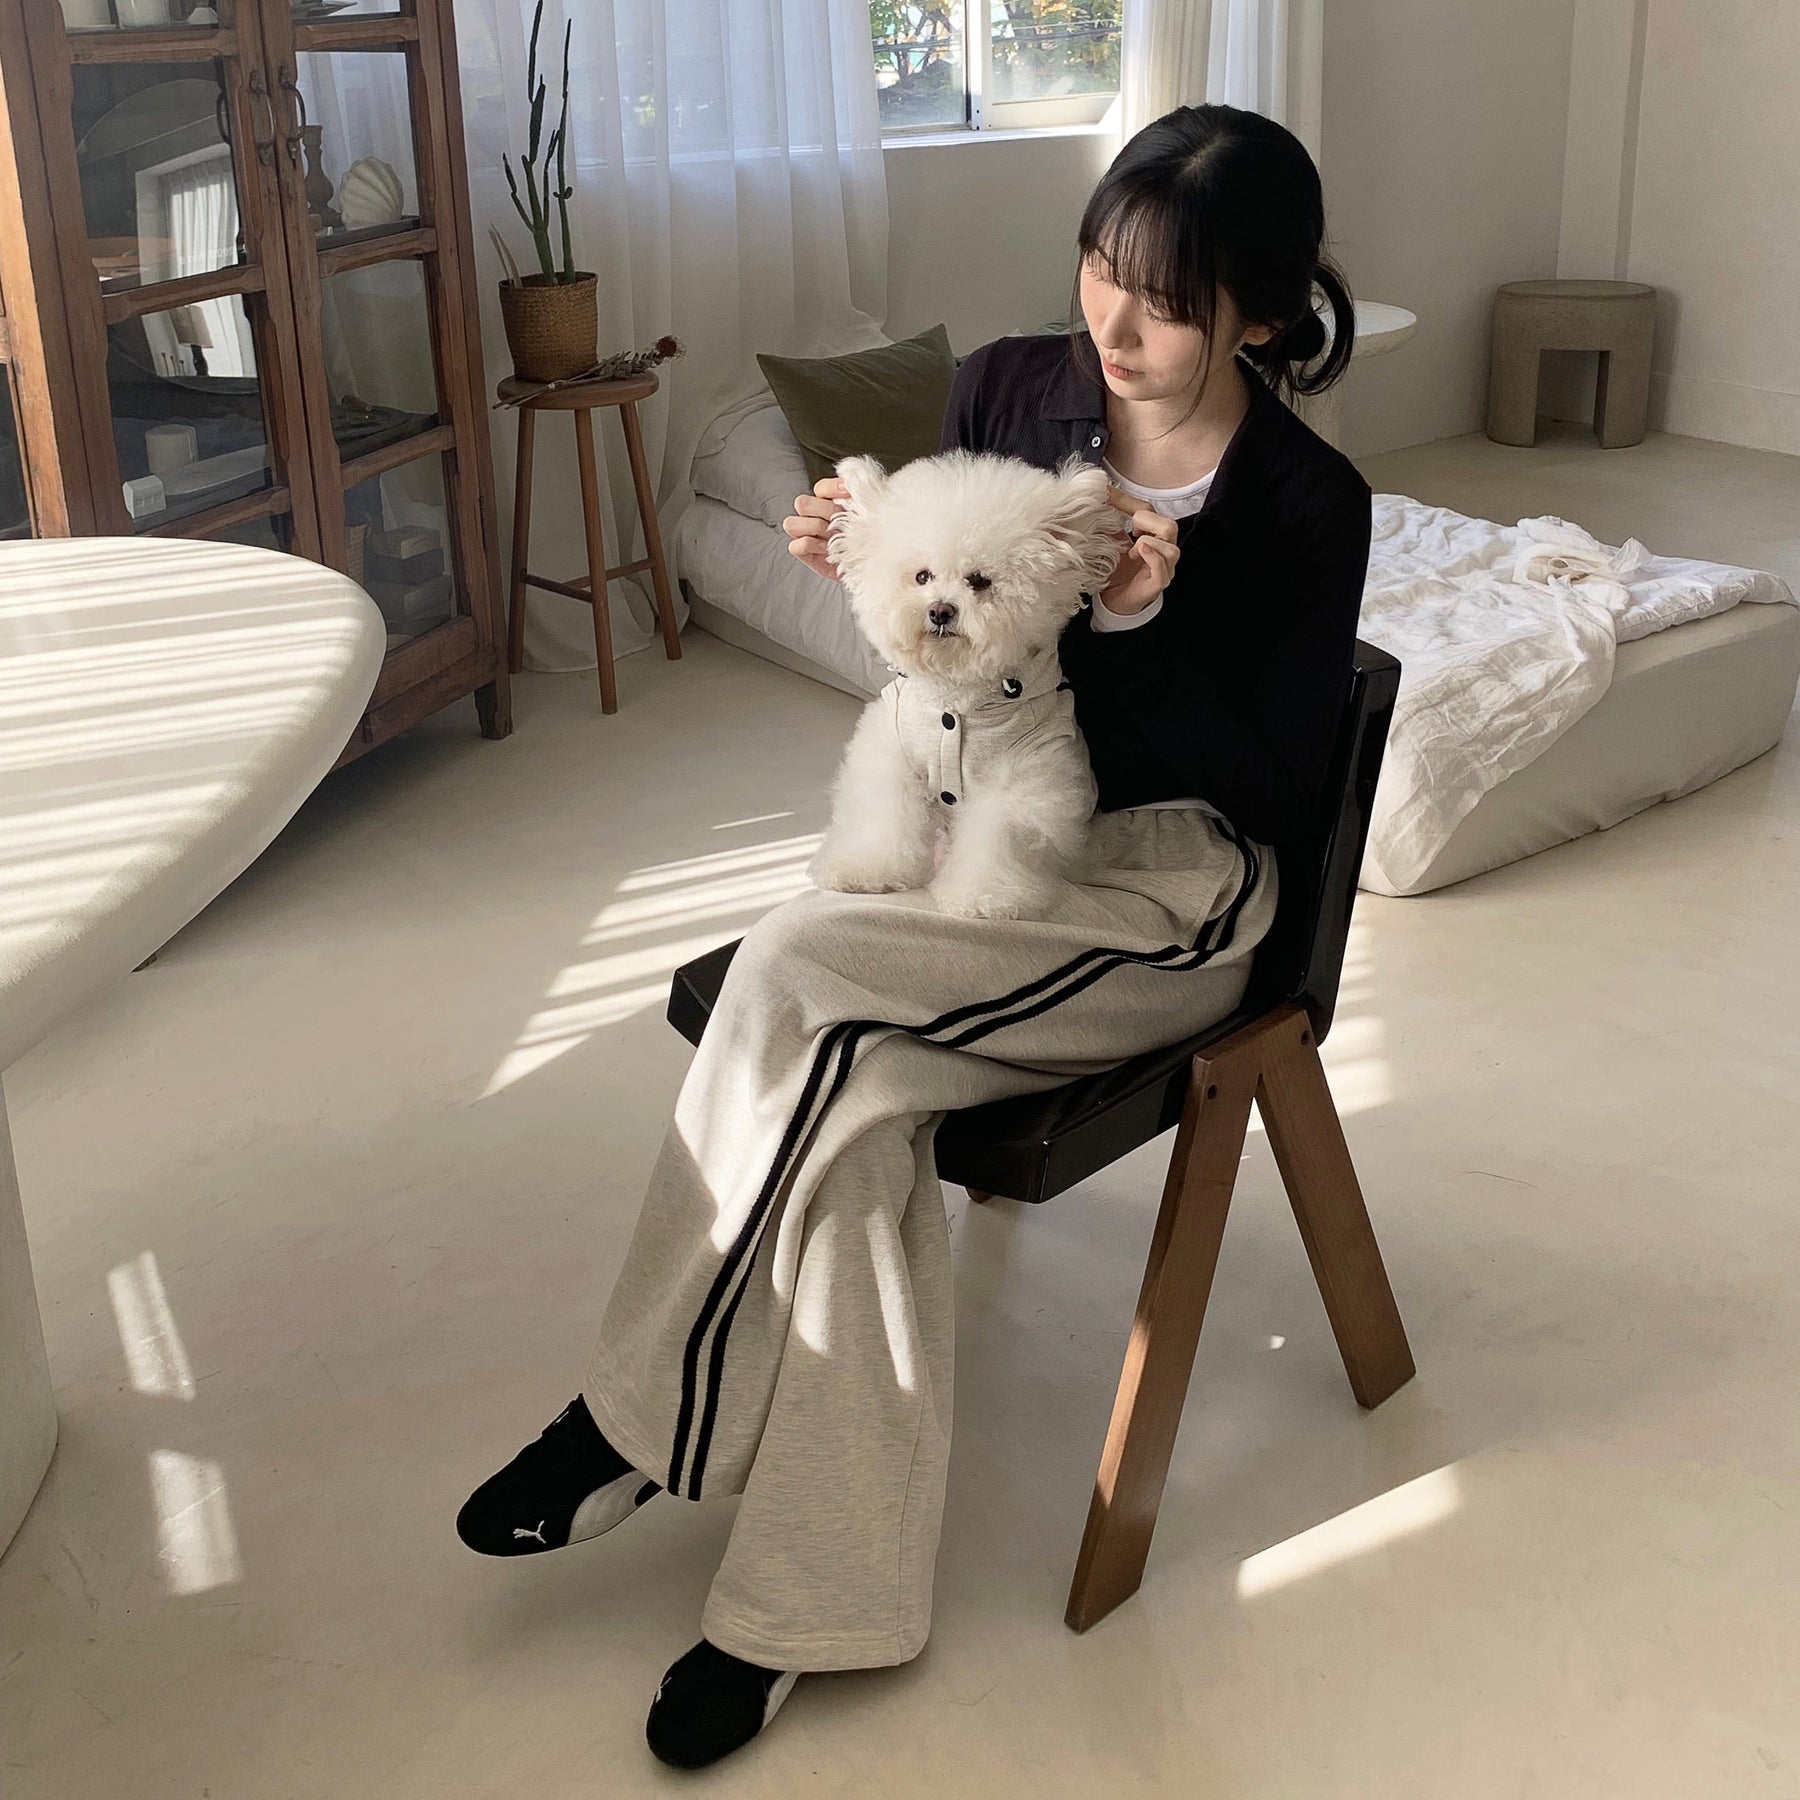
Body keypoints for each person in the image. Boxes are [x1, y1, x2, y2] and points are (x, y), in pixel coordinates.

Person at [455, 102, 1374, 1770]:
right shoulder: (1009, 389)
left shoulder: (1309, 499)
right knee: (856, 1092)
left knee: (791, 972)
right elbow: (936, 667)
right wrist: (864, 563)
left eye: (1167, 302)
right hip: (977, 838)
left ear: (1257, 314)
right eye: (1102, 269)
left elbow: (1272, 790)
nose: (1115, 326)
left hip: (1168, 890)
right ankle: (808, 1608)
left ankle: (633, 1416)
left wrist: (1140, 620)